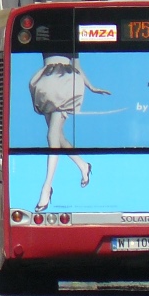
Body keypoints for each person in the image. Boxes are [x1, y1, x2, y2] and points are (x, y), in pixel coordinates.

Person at [28, 54, 111, 212]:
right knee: (58, 137)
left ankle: (46, 187)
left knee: (52, 137)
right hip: (46, 84)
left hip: (65, 82)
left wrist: (91, 87)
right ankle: (83, 165)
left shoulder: (70, 30)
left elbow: (77, 65)